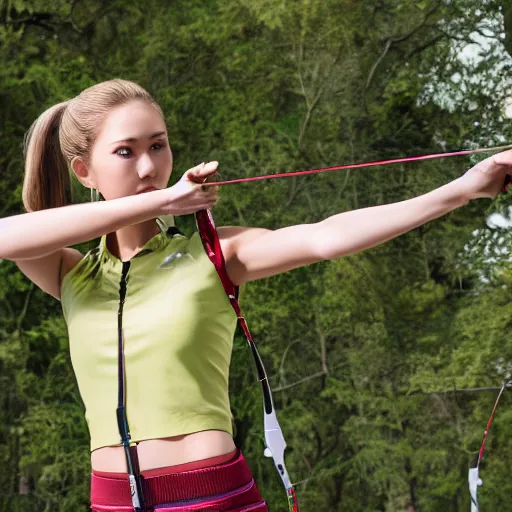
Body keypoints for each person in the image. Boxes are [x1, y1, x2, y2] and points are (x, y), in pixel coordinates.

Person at [1, 78, 511, 512]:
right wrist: (164, 200)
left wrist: (464, 188)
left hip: (211, 493)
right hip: (109, 499)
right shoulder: (72, 273)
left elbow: (326, 236)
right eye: (125, 151)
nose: (147, 166)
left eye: (158, 145)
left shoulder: (214, 254)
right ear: (83, 171)